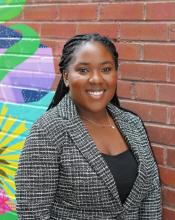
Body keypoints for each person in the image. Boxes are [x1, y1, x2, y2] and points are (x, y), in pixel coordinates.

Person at [15, 33, 162, 219]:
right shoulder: (48, 130)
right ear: (66, 77)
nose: (96, 79)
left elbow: (150, 196)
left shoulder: (132, 124)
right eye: (83, 70)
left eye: (106, 69)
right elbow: (32, 214)